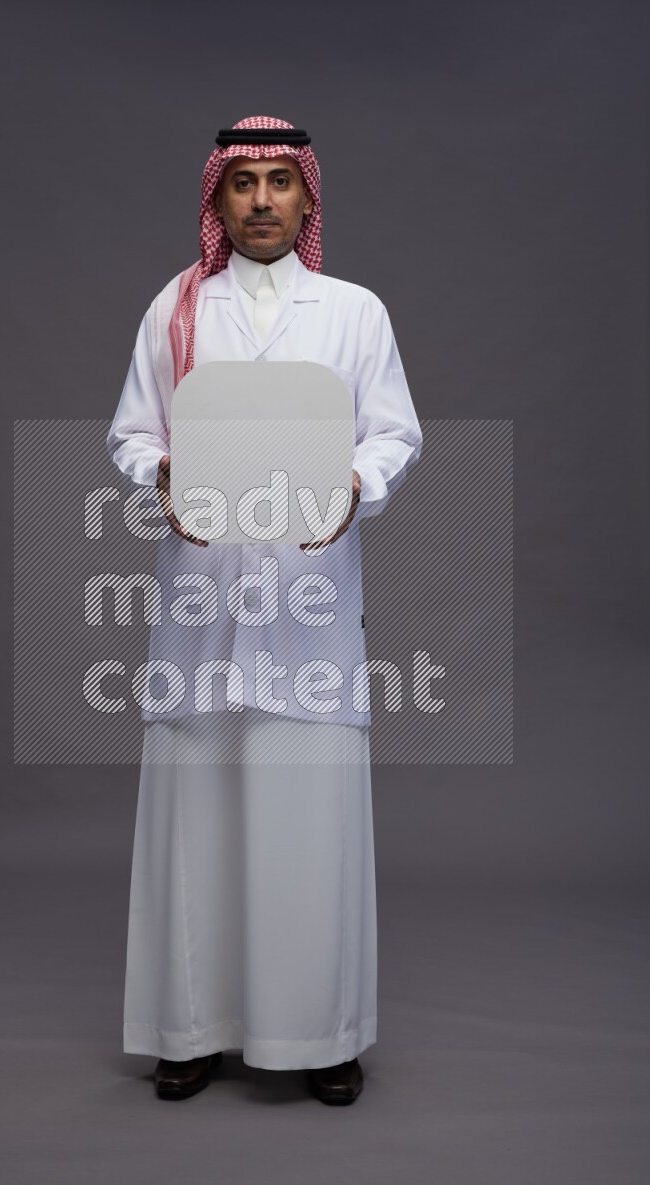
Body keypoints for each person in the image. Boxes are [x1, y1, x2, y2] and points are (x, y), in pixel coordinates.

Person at [106, 115, 422, 1104]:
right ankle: (187, 1028)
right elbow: (129, 434)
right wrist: (160, 471)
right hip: (202, 605)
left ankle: (321, 1038)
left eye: (278, 182)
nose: (258, 202)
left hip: (307, 606)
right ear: (217, 198)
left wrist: (349, 490)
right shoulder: (175, 310)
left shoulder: (353, 312)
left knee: (306, 817)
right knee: (195, 821)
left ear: (306, 197)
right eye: (240, 183)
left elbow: (392, 434)